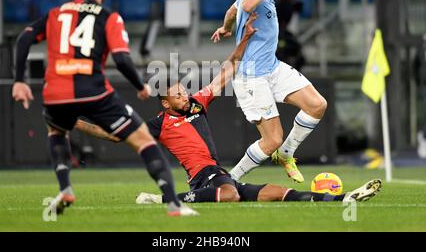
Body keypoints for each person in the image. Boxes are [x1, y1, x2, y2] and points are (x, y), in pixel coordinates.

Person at [74, 15, 382, 205]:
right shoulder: (159, 123)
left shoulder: (197, 104)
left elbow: (227, 70)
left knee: (277, 193)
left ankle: (342, 197)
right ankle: (164, 199)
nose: (185, 94)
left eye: (184, 89)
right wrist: (78, 124)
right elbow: (117, 136)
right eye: (178, 94)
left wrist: (245, 40)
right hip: (202, 179)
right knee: (231, 196)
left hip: (218, 174)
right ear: (166, 103)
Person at [11, 0, 197, 217]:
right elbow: (121, 59)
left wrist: (19, 81)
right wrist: (139, 86)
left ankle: (65, 187)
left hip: (56, 92)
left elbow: (24, 38)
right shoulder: (109, 17)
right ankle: (175, 205)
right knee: (143, 139)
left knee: (56, 130)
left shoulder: (56, 13)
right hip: (94, 91)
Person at [211, 0, 327, 183]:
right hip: (251, 76)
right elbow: (246, 5)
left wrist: (226, 28)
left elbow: (233, 11)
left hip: (272, 68)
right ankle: (229, 180)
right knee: (272, 140)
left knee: (317, 105)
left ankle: (286, 154)